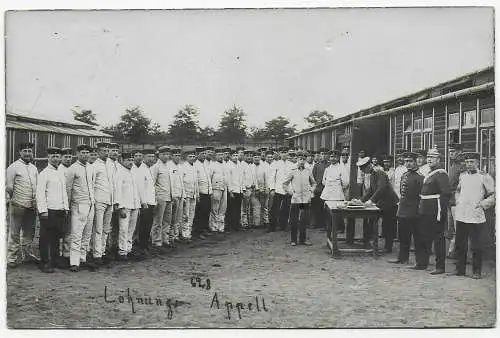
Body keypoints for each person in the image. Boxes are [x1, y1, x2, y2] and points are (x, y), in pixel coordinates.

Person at [452, 152, 495, 279]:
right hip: (462, 215)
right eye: (467, 162)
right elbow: (458, 191)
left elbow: (493, 195)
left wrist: (482, 204)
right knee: (460, 244)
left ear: (477, 163)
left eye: (472, 162)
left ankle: (476, 271)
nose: (469, 164)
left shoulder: (484, 177)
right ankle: (460, 270)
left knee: (476, 245)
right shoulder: (463, 176)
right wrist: (458, 201)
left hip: (476, 216)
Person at [413, 146, 451, 274]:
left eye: (433, 157)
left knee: (438, 237)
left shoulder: (441, 173)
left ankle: (440, 266)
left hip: (435, 209)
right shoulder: (428, 173)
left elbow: (446, 193)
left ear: (438, 159)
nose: (429, 159)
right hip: (425, 209)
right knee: (423, 236)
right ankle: (422, 263)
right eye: (428, 157)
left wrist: (441, 212)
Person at [355, 156, 399, 253]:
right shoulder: (372, 174)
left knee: (388, 226)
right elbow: (371, 190)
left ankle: (388, 248)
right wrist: (361, 200)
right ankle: (371, 243)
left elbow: (381, 188)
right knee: (373, 221)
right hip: (382, 202)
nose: (363, 171)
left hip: (390, 203)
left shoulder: (380, 172)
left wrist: (371, 201)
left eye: (364, 169)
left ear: (369, 166)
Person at [36, 147, 70, 273]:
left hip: (59, 210)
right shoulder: (44, 173)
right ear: (48, 158)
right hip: (49, 210)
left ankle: (55, 260)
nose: (56, 159)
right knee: (46, 237)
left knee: (56, 236)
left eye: (57, 157)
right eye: (53, 157)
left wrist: (65, 207)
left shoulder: (60, 172)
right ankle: (44, 262)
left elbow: (64, 193)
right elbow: (40, 194)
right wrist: (43, 211)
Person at [6, 142, 38, 268]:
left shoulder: (33, 168)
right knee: (14, 233)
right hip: (18, 204)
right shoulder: (13, 167)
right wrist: (13, 200)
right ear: (20, 152)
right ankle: (11, 258)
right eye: (25, 150)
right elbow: (9, 187)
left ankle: (27, 255)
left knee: (29, 232)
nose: (27, 153)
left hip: (31, 205)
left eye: (29, 151)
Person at [388, 152, 423, 264]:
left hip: (414, 210)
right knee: (403, 236)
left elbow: (422, 195)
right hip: (403, 209)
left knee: (417, 237)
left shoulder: (420, 177)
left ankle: (420, 261)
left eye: (410, 161)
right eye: (406, 161)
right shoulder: (404, 175)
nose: (408, 163)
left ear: (415, 162)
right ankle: (402, 258)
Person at [65, 144, 96, 272]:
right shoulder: (72, 169)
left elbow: (92, 186)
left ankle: (83, 259)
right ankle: (74, 262)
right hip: (78, 205)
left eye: (87, 153)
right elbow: (68, 189)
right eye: (82, 153)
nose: (85, 155)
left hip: (90, 204)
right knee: (76, 234)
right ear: (77, 154)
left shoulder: (91, 168)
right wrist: (68, 207)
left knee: (87, 234)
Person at [283, 151, 316, 246]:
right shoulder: (292, 170)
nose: (302, 161)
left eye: (304, 159)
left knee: (304, 219)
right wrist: (291, 193)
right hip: (296, 199)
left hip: (305, 199)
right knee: (294, 219)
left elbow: (313, 183)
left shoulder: (308, 170)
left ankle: (303, 239)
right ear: (297, 159)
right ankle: (293, 240)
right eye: (300, 159)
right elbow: (284, 184)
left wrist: (311, 191)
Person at [91, 142, 114, 266]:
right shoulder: (94, 165)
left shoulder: (111, 164)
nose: (106, 152)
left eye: (107, 150)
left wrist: (114, 201)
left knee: (106, 229)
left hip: (110, 200)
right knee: (98, 229)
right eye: (104, 150)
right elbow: (92, 184)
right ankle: (96, 254)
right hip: (99, 200)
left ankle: (103, 252)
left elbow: (113, 183)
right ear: (98, 152)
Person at [115, 152, 141, 261]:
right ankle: (122, 251)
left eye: (131, 159)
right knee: (123, 229)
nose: (130, 162)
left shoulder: (133, 173)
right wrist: (120, 207)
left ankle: (129, 249)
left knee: (131, 229)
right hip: (125, 206)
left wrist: (138, 205)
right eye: (128, 160)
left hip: (135, 205)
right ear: (122, 161)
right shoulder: (119, 173)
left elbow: (136, 191)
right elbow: (117, 191)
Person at [131, 148, 156, 257]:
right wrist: (143, 202)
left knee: (147, 225)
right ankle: (140, 246)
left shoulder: (148, 168)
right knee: (142, 225)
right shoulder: (138, 169)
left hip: (150, 201)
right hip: (143, 202)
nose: (151, 159)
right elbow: (140, 188)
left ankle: (144, 245)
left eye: (152, 157)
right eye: (148, 157)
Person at [151, 146, 173, 253]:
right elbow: (152, 184)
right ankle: (156, 241)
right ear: (159, 155)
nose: (166, 156)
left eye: (167, 154)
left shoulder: (168, 166)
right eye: (163, 154)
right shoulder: (156, 167)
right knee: (158, 220)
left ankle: (165, 239)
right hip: (160, 197)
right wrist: (154, 199)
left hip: (169, 196)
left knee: (167, 220)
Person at [320, 150, 347, 233]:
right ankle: (329, 227)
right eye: (331, 156)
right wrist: (329, 185)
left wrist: (338, 187)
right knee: (328, 210)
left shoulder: (342, 168)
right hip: (328, 192)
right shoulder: (327, 169)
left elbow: (346, 182)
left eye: (335, 157)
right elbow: (323, 181)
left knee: (338, 211)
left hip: (337, 192)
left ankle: (340, 228)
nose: (333, 158)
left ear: (338, 157)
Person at [446, 143, 464, 259]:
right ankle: (452, 251)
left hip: (458, 200)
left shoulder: (462, 166)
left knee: (459, 228)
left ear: (460, 152)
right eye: (450, 151)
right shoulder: (452, 164)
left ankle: (458, 252)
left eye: (453, 151)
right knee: (450, 228)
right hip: (450, 200)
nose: (450, 153)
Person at [58, 147, 73, 266]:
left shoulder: (72, 169)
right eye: (65, 157)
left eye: (69, 157)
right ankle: (57, 254)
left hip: (71, 205)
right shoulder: (58, 170)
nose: (68, 159)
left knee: (69, 231)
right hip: (60, 205)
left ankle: (66, 254)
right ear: (61, 158)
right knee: (59, 230)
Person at [193, 147, 213, 238]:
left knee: (206, 211)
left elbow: (208, 179)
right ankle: (198, 231)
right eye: (202, 154)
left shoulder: (205, 165)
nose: (204, 156)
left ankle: (204, 228)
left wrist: (210, 190)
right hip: (201, 192)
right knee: (200, 213)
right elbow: (196, 181)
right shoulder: (195, 165)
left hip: (207, 192)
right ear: (197, 155)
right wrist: (197, 194)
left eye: (205, 154)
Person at [268, 147, 288, 232]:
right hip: (278, 189)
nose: (284, 154)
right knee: (274, 209)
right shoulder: (275, 164)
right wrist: (272, 188)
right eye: (282, 152)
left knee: (285, 208)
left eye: (285, 152)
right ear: (279, 154)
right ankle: (272, 226)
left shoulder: (291, 164)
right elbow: (272, 177)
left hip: (287, 190)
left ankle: (283, 226)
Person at [181, 149, 199, 242]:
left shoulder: (194, 167)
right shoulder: (183, 167)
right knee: (186, 215)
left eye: (193, 156)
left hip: (193, 194)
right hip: (186, 194)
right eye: (190, 157)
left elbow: (196, 182)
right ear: (186, 157)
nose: (192, 158)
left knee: (192, 214)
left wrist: (197, 194)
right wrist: (183, 196)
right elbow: (181, 183)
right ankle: (185, 234)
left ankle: (189, 232)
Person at [209, 149, 228, 233]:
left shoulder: (225, 165)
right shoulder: (212, 165)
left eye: (222, 154)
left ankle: (221, 227)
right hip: (215, 188)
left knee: (223, 208)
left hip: (224, 188)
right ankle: (213, 226)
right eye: (219, 155)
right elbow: (209, 178)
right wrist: (210, 190)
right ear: (215, 156)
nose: (221, 156)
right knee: (214, 208)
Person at [169, 148, 185, 246]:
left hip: (180, 195)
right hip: (173, 196)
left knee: (178, 217)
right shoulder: (169, 167)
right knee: (171, 218)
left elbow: (181, 182)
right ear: (172, 156)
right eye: (175, 155)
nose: (177, 157)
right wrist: (172, 195)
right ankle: (170, 237)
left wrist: (183, 195)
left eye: (179, 156)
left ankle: (175, 235)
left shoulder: (180, 166)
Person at [311, 148, 329, 229]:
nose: (324, 155)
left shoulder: (329, 165)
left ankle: (325, 224)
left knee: (326, 207)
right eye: (322, 154)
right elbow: (313, 178)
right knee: (317, 207)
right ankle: (317, 223)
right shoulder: (316, 165)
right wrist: (313, 189)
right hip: (318, 189)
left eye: (325, 154)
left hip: (327, 189)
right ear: (320, 155)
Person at [227, 150, 243, 232]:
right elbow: (229, 179)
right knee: (231, 209)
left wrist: (242, 189)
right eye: (234, 155)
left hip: (239, 190)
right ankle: (230, 226)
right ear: (230, 156)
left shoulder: (239, 165)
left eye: (237, 155)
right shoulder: (229, 165)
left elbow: (241, 178)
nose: (235, 157)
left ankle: (236, 225)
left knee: (238, 209)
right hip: (233, 190)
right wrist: (230, 191)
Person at [240, 150, 256, 229]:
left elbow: (254, 177)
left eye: (251, 156)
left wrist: (255, 186)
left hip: (252, 189)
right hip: (246, 189)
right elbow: (241, 178)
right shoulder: (242, 165)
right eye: (248, 156)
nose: (249, 157)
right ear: (244, 156)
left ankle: (250, 223)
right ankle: (244, 223)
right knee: (244, 208)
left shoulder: (252, 165)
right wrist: (243, 189)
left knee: (251, 207)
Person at [253, 152, 268, 228]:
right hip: (254, 190)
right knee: (256, 207)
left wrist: (265, 189)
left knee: (265, 206)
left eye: (258, 157)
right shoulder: (251, 167)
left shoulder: (263, 166)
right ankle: (256, 223)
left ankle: (266, 221)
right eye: (255, 157)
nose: (257, 158)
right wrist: (256, 188)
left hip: (263, 189)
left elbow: (266, 178)